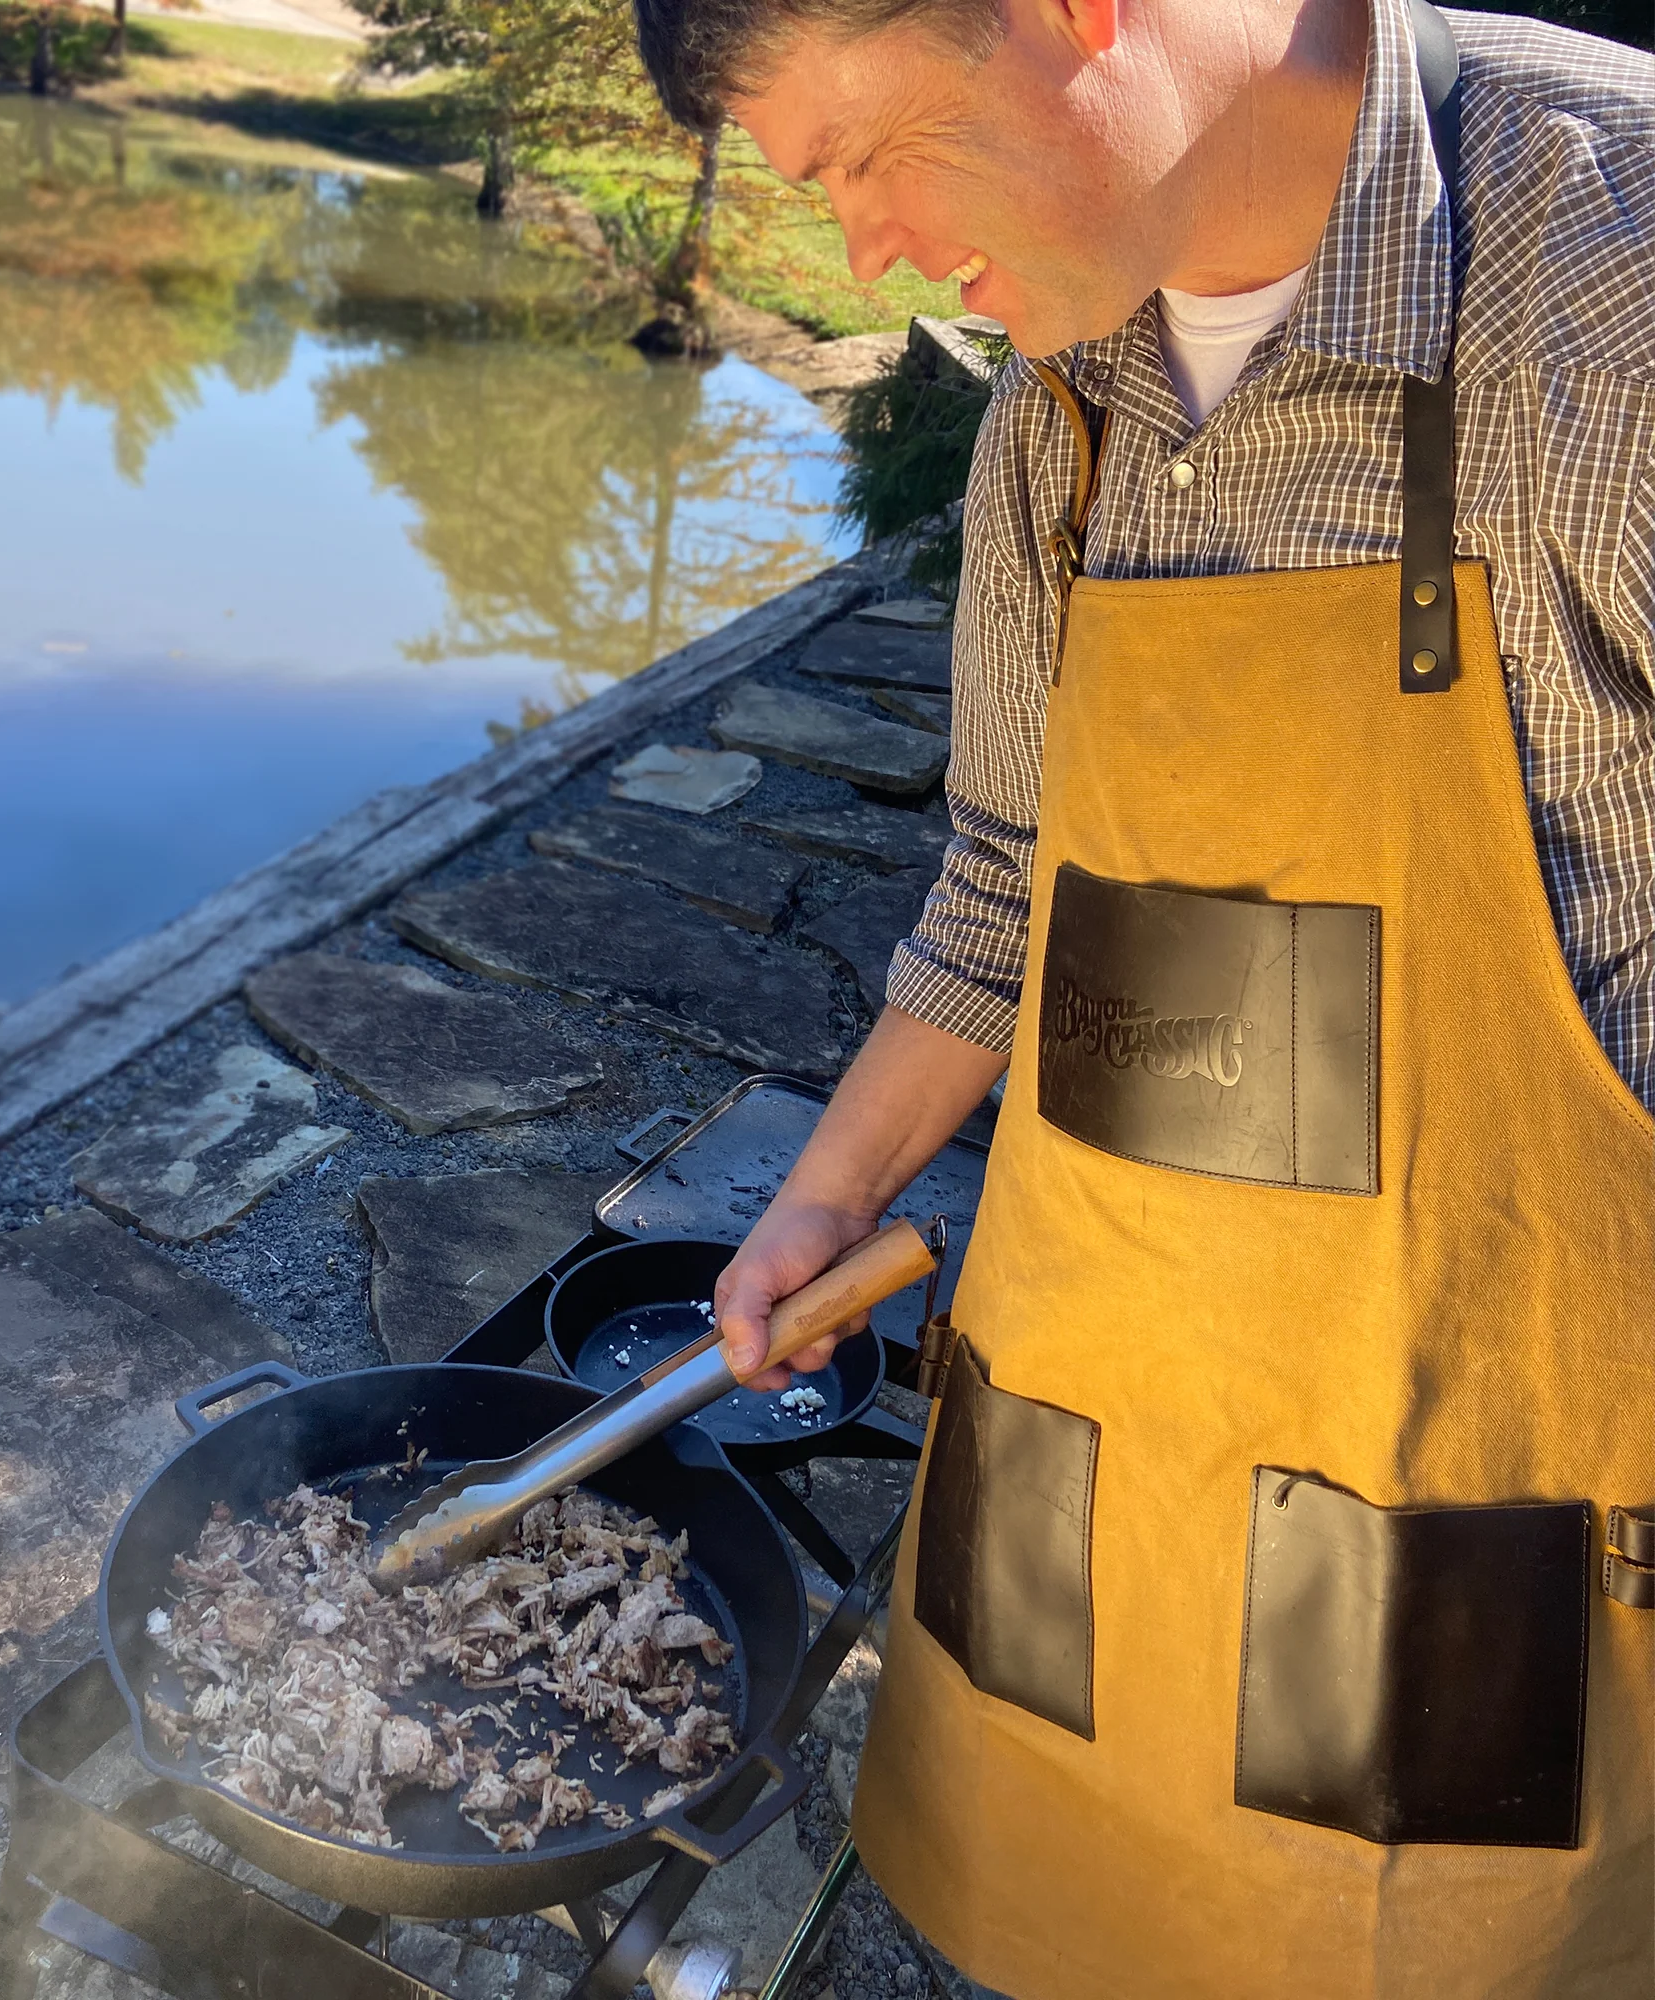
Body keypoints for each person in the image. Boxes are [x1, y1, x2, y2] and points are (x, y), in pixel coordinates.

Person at [627, 0, 1655, 1993]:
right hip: (1089, 1458)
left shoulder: (1608, 284)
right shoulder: (1061, 402)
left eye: (854, 159)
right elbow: (1006, 885)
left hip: (1459, 1529)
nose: (862, 258)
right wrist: (826, 1203)